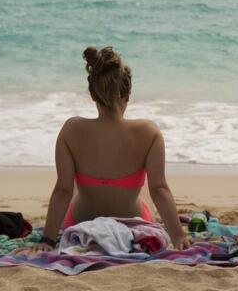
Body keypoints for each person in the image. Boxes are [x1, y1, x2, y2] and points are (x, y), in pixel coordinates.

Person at [21, 46, 191, 252]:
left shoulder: (71, 129)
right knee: (147, 186)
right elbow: (160, 190)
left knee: (73, 184)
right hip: (133, 221)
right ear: (128, 94)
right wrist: (178, 236)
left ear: (93, 95)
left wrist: (47, 240)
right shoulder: (148, 132)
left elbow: (62, 191)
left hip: (79, 221)